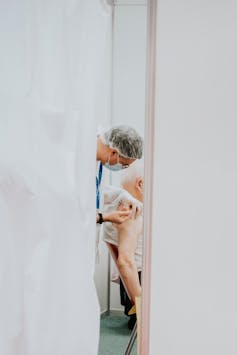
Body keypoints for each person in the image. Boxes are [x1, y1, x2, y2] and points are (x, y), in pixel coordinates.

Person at [101, 160, 144, 329]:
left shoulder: (116, 204)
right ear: (140, 184)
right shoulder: (131, 210)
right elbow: (124, 262)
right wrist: (143, 309)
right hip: (138, 277)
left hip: (134, 278)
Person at [95, 125, 143, 225]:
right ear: (114, 153)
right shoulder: (80, 163)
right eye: (124, 165)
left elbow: (96, 193)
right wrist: (104, 217)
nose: (122, 168)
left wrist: (119, 195)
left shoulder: (99, 161)